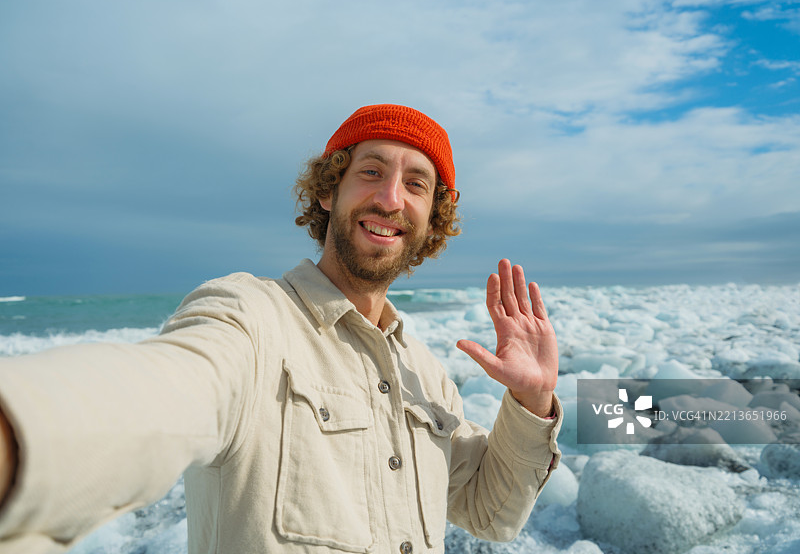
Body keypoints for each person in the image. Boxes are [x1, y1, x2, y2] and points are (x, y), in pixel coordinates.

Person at [0, 104, 562, 554]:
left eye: (417, 184)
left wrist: (531, 400)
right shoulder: (249, 316)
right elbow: (161, 393)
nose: (391, 198)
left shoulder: (426, 373)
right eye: (371, 171)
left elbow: (491, 514)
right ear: (328, 190)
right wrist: (18, 436)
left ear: (430, 219)